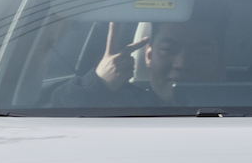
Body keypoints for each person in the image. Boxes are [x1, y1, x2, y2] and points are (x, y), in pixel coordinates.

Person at [61, 18, 226, 105]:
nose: (181, 64)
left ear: (220, 60)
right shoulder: (119, 107)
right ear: (149, 55)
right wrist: (97, 84)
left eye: (199, 53)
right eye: (168, 49)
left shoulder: (239, 113)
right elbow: (52, 117)